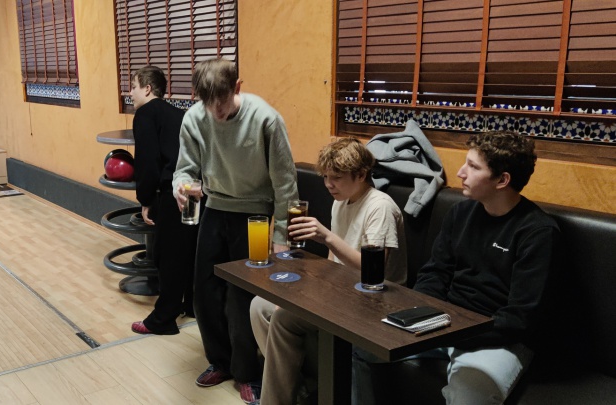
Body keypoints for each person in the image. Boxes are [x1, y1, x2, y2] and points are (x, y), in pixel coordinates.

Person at [354, 130, 561, 405]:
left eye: (473, 166)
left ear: (502, 180)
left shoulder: (538, 232)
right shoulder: (460, 213)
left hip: (499, 339)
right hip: (444, 323)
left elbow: (520, 318)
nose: (461, 172)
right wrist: (424, 312)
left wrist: (455, 331)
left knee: (468, 395)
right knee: (361, 344)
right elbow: (435, 272)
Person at [172, 58, 298, 404]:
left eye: (223, 101)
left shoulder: (265, 118)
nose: (216, 111)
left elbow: (285, 182)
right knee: (204, 292)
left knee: (242, 297)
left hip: (255, 212)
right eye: (208, 102)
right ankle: (220, 361)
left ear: (237, 87)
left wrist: (282, 235)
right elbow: (185, 169)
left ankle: (247, 372)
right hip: (214, 208)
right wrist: (181, 185)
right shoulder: (194, 118)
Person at [249, 137, 407, 404]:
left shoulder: (379, 206)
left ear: (361, 175)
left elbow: (375, 269)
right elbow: (333, 264)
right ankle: (298, 390)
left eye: (337, 178)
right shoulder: (341, 201)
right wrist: (305, 294)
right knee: (261, 306)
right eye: (325, 177)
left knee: (284, 317)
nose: (328, 184)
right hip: (342, 294)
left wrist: (327, 237)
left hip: (376, 302)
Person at [128, 65, 197, 335]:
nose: (130, 93)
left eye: (134, 87)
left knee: (167, 256)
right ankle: (192, 306)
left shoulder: (145, 114)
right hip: (193, 190)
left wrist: (145, 199)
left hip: (172, 193)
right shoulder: (178, 113)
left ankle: (163, 319)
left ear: (147, 89)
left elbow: (148, 162)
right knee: (188, 252)